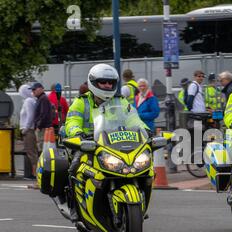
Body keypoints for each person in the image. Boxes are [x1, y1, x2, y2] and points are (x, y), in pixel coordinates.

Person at [65, 64, 149, 221]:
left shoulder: (120, 101)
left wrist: (146, 131)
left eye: (111, 82)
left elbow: (134, 119)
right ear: (93, 82)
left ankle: (139, 204)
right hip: (87, 145)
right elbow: (72, 121)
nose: (107, 85)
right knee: (74, 169)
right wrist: (77, 133)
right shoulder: (81, 102)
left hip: (114, 146)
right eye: (103, 82)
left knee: (143, 167)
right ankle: (74, 206)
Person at [19, 84, 38, 180]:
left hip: (28, 131)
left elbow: (30, 116)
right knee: (31, 151)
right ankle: (33, 173)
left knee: (31, 152)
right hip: (28, 130)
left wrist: (26, 128)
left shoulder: (28, 101)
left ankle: (35, 174)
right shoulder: (30, 100)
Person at [32, 82, 54, 153]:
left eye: (34, 89)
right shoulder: (41, 98)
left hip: (42, 128)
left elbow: (44, 114)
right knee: (40, 147)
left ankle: (42, 162)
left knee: (41, 147)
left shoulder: (43, 99)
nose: (33, 91)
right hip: (42, 127)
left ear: (40, 89)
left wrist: (39, 126)